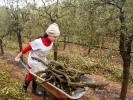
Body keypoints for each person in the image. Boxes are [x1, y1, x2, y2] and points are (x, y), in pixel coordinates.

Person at [15, 23, 60, 96]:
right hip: (33, 61)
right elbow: (26, 49)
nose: (56, 38)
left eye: (57, 37)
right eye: (55, 36)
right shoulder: (38, 42)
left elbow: (43, 50)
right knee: (31, 76)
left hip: (41, 61)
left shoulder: (51, 42)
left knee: (38, 76)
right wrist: (18, 56)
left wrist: (44, 56)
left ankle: (34, 89)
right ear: (49, 34)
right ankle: (24, 88)